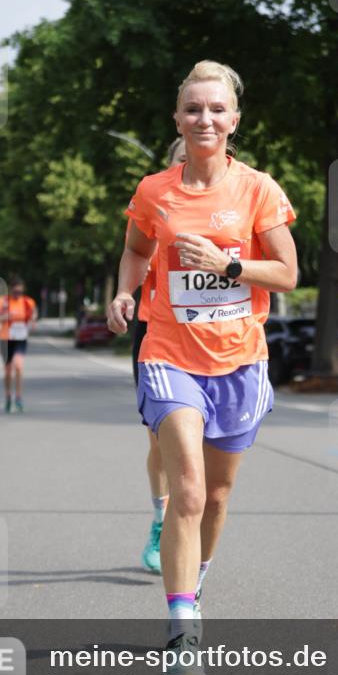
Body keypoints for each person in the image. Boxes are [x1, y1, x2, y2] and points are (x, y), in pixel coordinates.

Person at [107, 60, 297, 675]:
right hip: (167, 353)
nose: (205, 119)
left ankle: (195, 580)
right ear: (178, 119)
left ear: (234, 120)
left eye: (217, 109)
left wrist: (228, 265)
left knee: (216, 497)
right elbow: (136, 250)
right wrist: (125, 294)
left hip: (240, 360)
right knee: (187, 490)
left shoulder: (258, 190)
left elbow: (288, 274)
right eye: (194, 109)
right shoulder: (154, 191)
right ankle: (182, 628)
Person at [137, 137, 186, 574]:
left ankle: (186, 530)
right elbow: (132, 258)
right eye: (181, 159)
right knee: (160, 443)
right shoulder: (156, 213)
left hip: (211, 344)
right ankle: (160, 518)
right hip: (157, 338)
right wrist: (119, 295)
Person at [0, 277, 38, 412]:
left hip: (20, 339)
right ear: (10, 289)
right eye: (15, 290)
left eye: (20, 289)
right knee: (7, 371)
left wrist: (33, 319)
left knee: (18, 366)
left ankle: (18, 397)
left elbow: (34, 314)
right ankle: (8, 396)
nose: (18, 292)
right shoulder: (3, 302)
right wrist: (5, 316)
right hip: (5, 339)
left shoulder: (28, 302)